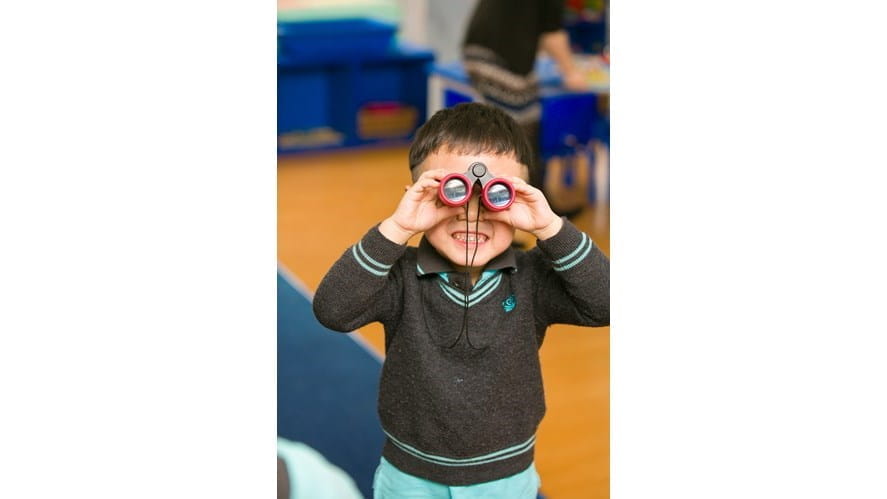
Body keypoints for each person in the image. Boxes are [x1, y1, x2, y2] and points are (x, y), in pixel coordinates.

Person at [312, 103, 609, 498]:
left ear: (520, 196)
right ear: (417, 196)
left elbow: (607, 303)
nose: (472, 210)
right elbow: (333, 310)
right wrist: (397, 228)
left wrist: (550, 226)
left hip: (506, 476)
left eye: (495, 195)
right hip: (410, 474)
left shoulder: (533, 277)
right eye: (450, 192)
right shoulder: (399, 275)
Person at [462, 0, 588, 198]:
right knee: (519, 130)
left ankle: (528, 192)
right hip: (498, 58)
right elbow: (552, 34)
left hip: (479, 49)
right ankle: (521, 195)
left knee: (519, 123)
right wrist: (571, 72)